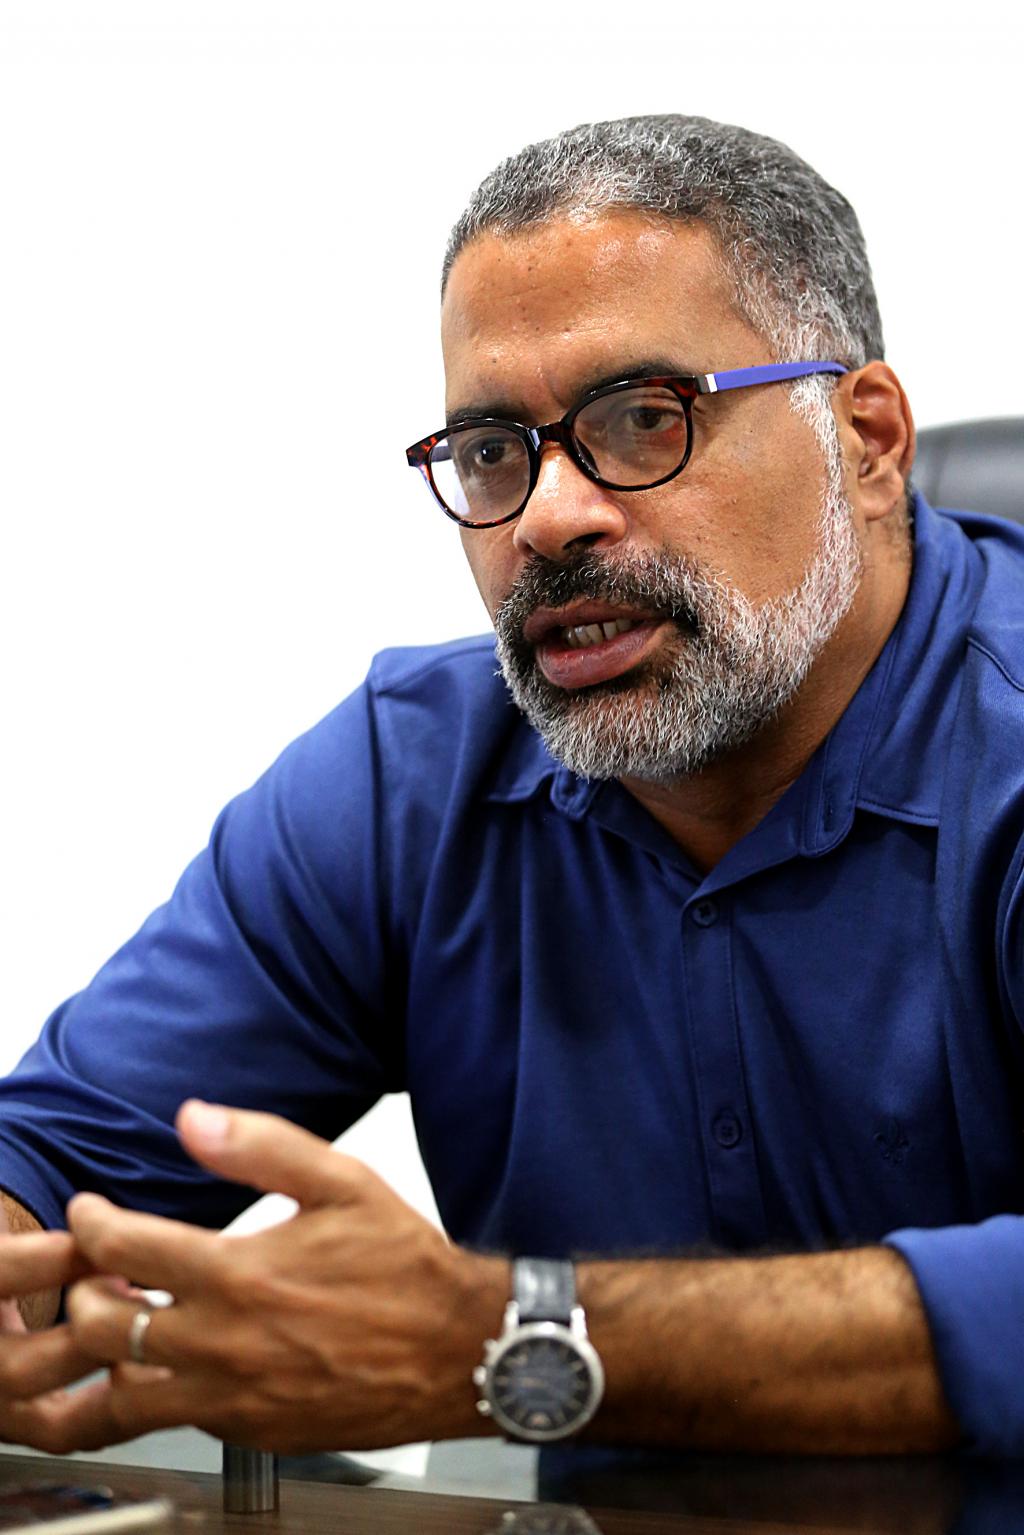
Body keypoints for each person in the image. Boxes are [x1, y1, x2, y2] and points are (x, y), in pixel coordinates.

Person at [0, 112, 1021, 1460]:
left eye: (643, 419)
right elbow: (51, 1159)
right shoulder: (410, 777)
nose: (545, 517)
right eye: (491, 449)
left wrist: (509, 1340)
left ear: (868, 441)